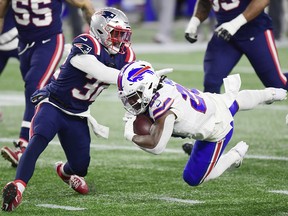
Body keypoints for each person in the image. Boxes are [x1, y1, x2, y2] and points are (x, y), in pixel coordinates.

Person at [1, 7, 135, 212]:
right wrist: (131, 77)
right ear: (101, 30)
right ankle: (17, 186)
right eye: (116, 34)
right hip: (53, 103)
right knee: (39, 139)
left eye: (123, 35)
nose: (121, 40)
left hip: (78, 114)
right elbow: (100, 71)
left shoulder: (126, 55)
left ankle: (64, 172)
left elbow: (130, 80)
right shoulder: (86, 43)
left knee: (81, 167)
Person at [117, 60, 286, 187]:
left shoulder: (164, 109)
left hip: (217, 128)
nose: (131, 101)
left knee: (193, 178)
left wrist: (130, 135)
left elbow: (157, 147)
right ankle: (272, 93)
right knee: (234, 101)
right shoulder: (158, 84)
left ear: (147, 87)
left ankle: (235, 155)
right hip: (209, 101)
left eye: (133, 95)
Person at [0, 0, 95, 167]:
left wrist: (97, 40)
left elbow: (85, 5)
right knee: (36, 93)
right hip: (24, 45)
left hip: (49, 42)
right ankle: (53, 124)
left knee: (33, 85)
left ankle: (24, 145)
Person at [184, 0, 288, 94]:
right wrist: (194, 22)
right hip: (225, 33)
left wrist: (235, 24)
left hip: (255, 32)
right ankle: (217, 115)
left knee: (278, 85)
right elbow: (204, 2)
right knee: (211, 84)